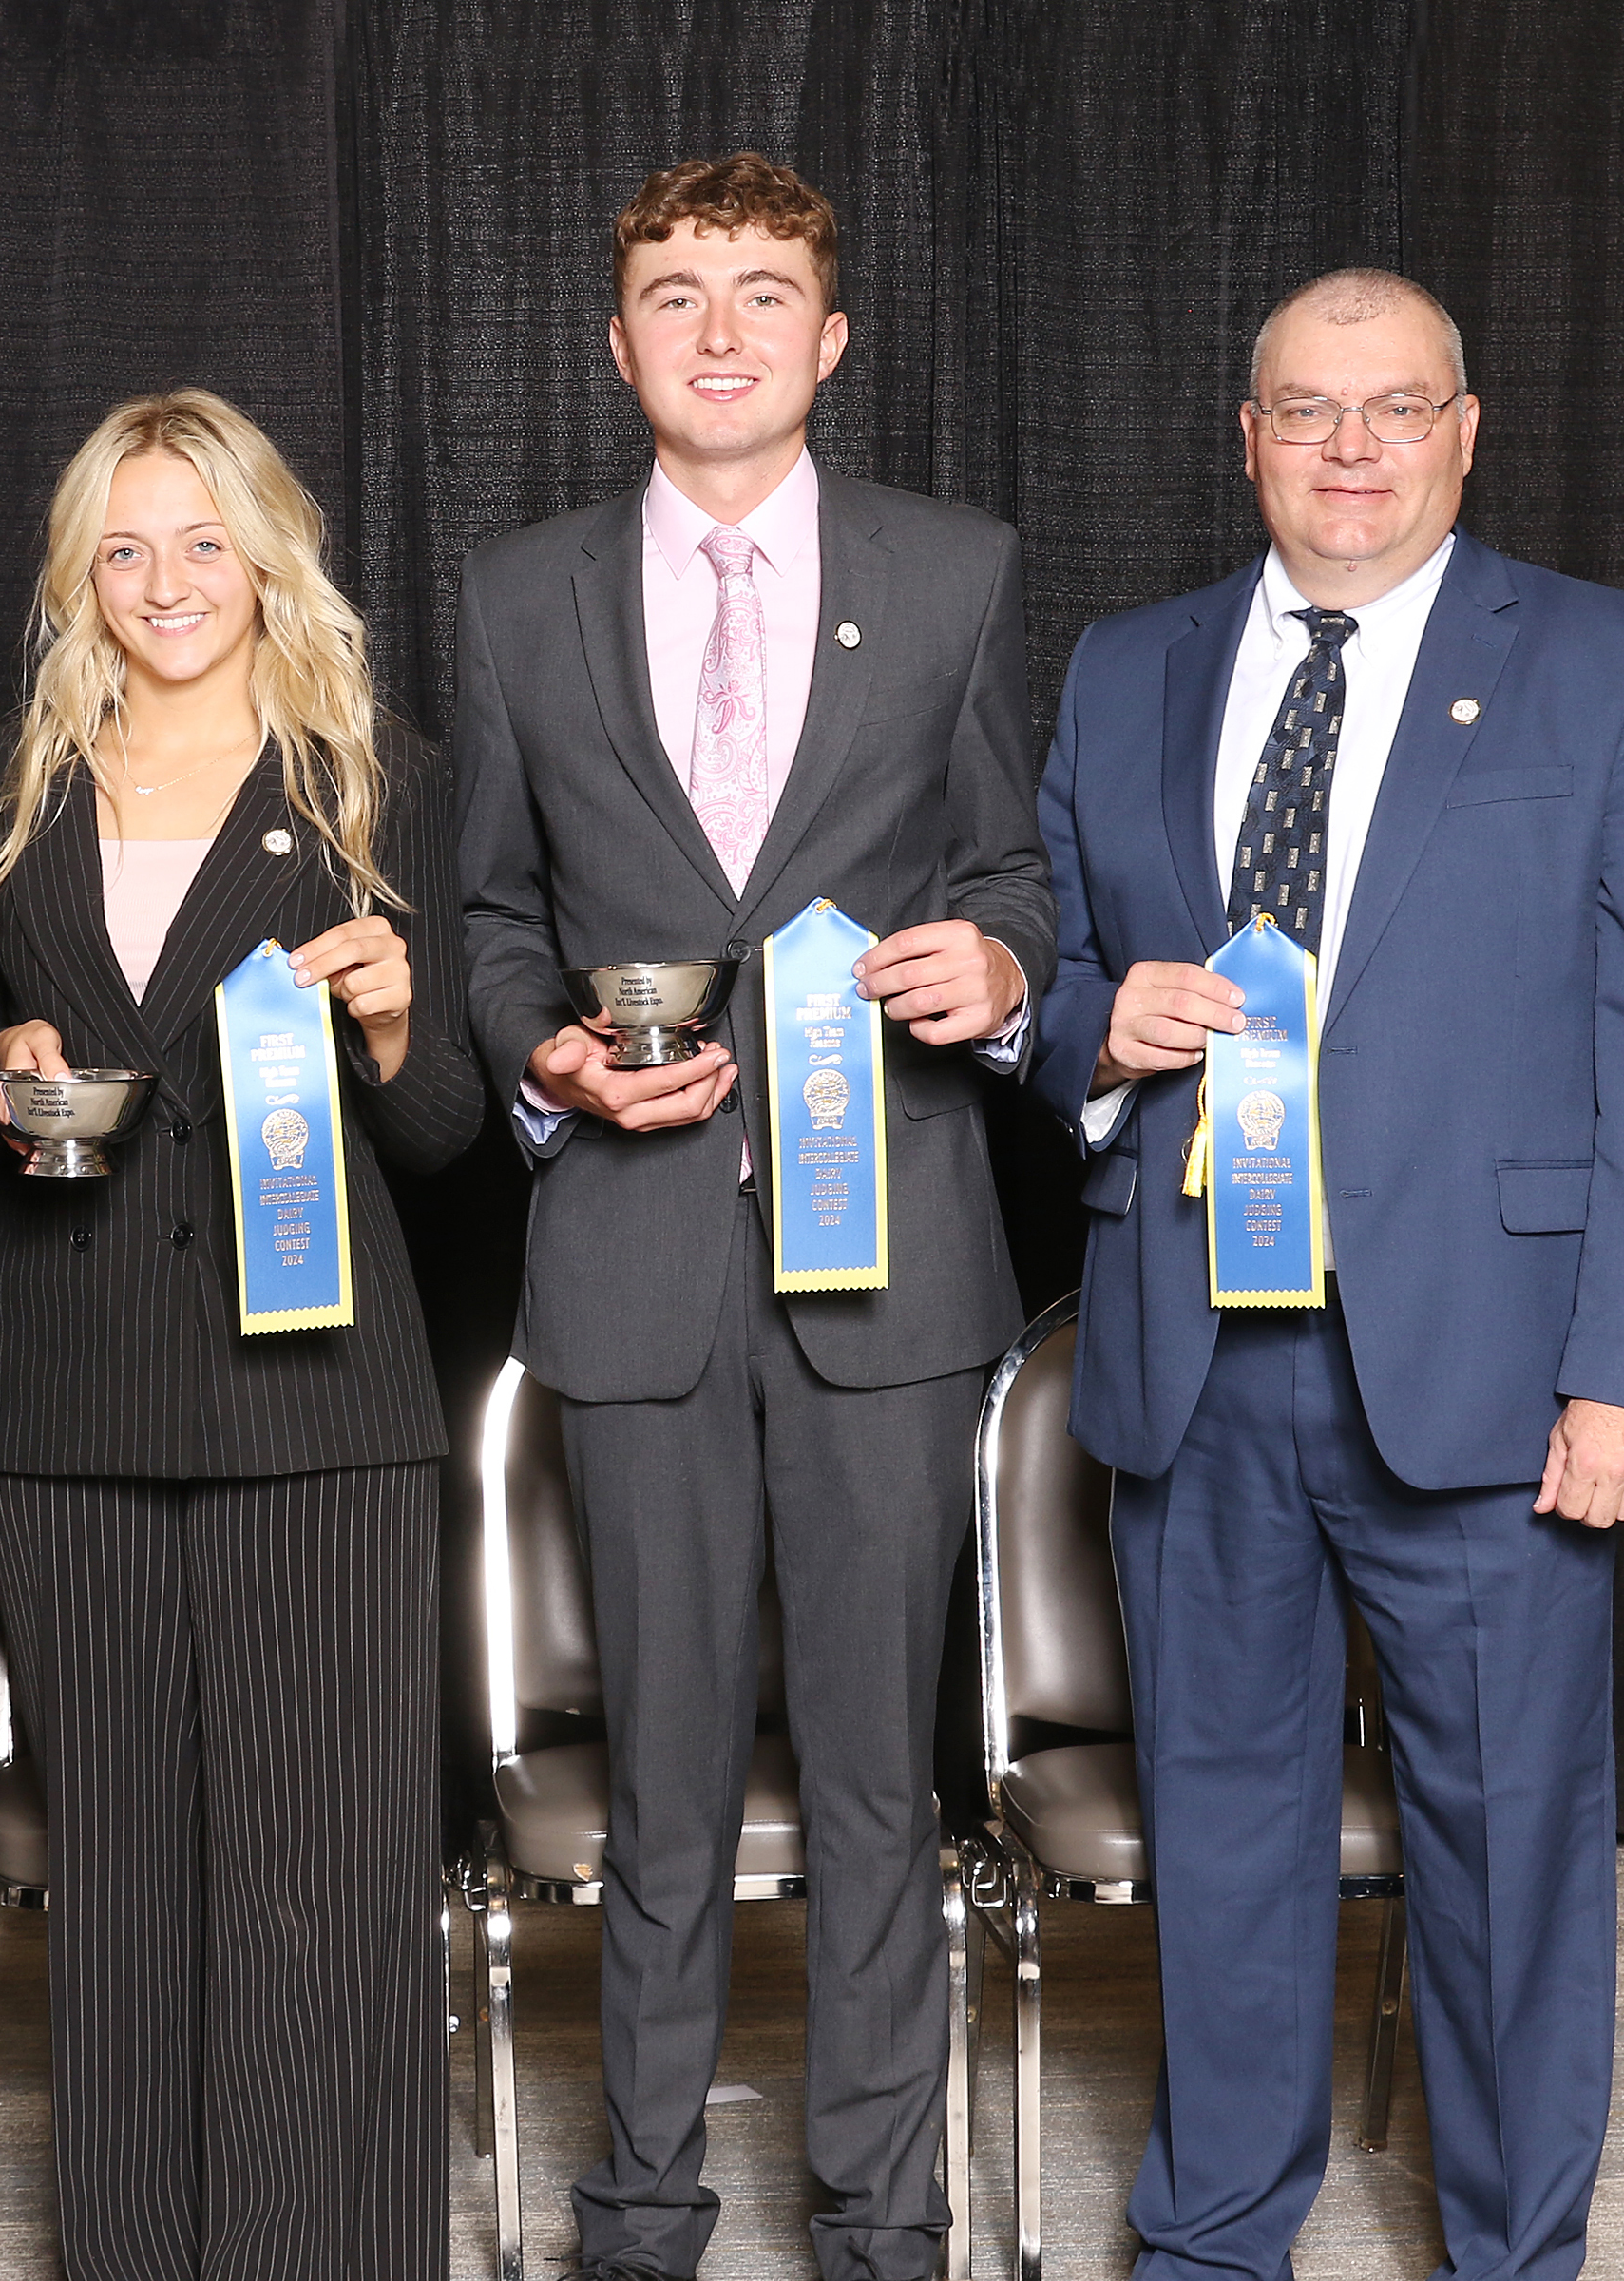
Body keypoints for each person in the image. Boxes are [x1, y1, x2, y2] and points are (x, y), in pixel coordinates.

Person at [1028, 267, 1624, 2281]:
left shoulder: (1609, 665)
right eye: (1308, 411)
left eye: (1396, 408)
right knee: (1227, 1842)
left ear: (1466, 428)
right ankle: (1213, 2237)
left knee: (1507, 1859)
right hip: (1198, 1357)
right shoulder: (1124, 667)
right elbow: (1060, 969)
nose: (1352, 449)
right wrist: (1099, 1026)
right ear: (1243, 435)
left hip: (1500, 1374)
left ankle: (1516, 2252)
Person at [458, 155, 1048, 2281]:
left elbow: (1011, 875)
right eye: (679, 294)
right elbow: (493, 922)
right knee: (666, 1789)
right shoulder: (519, 594)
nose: (722, 329)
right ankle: (641, 2211)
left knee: (884, 1777)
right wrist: (547, 1059)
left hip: (890, 1259)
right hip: (631, 1267)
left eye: (765, 292)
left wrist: (996, 976)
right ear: (617, 345)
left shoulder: (957, 569)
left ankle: (883, 2218)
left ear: (832, 338)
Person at [0, 387, 479, 2279]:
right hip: (58, 1397)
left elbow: (444, 1140)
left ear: (268, 558)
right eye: (127, 545)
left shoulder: (378, 780)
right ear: (82, 576)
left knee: (306, 1901)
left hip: (316, 1407)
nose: (169, 581)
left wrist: (407, 1021)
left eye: (204, 540)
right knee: (119, 1902)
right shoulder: (18, 790)